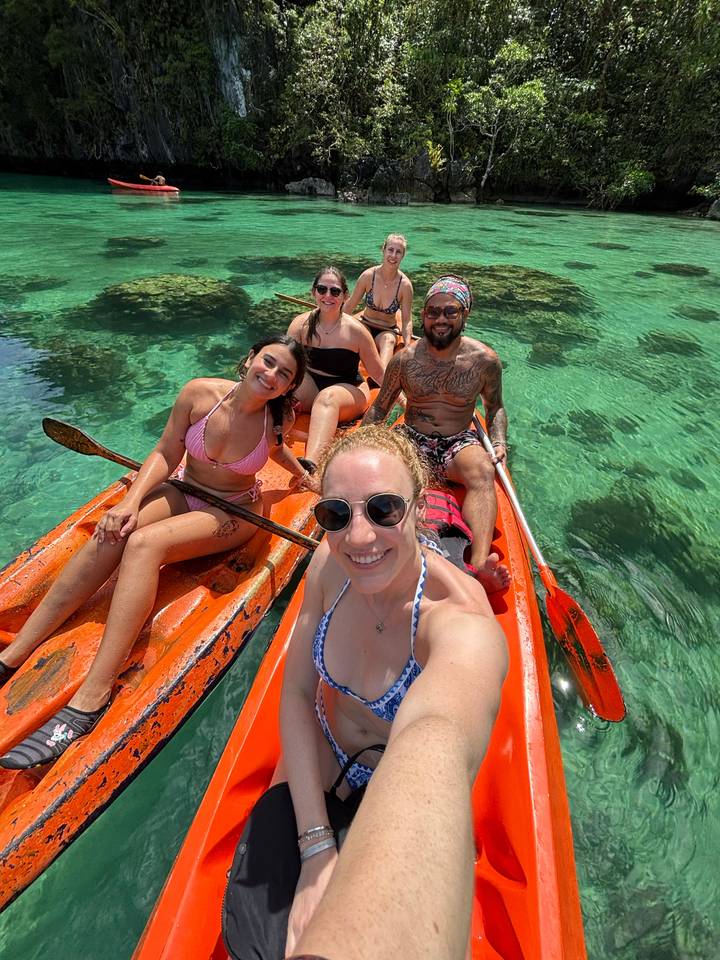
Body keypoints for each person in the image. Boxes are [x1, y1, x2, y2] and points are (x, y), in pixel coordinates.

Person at [221, 427, 507, 959]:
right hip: (325, 759)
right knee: (257, 942)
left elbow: (435, 736)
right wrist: (315, 850)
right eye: (335, 514)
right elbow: (298, 693)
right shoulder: (328, 567)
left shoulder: (461, 624)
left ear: (419, 507)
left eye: (383, 510)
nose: (357, 537)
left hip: (402, 790)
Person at [0, 335, 314, 769]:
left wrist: (306, 477)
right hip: (184, 488)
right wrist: (129, 503)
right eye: (269, 362)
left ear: (287, 388)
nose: (272, 375)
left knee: (147, 544)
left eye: (285, 375)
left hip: (236, 512)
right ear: (250, 359)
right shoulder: (198, 393)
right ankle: (12, 655)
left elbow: (279, 451)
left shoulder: (274, 420)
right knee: (114, 531)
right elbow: (167, 451)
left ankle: (93, 698)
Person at [362, 275, 510, 593]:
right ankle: (386, 540)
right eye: (433, 311)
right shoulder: (404, 361)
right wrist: (355, 446)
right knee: (383, 470)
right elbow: (380, 408)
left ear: (465, 314)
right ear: (424, 315)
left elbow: (495, 407)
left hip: (458, 440)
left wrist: (498, 442)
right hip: (413, 436)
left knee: (484, 470)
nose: (440, 319)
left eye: (450, 311)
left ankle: (481, 561)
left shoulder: (484, 361)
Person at [287, 267, 386, 474]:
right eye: (322, 289)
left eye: (335, 291)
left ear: (345, 296)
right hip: (312, 383)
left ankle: (310, 465)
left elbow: (379, 375)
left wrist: (408, 400)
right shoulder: (299, 325)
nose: (327, 296)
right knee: (286, 390)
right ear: (313, 292)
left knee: (328, 397)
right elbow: (286, 366)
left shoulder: (356, 331)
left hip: (350, 389)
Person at [344, 234, 414, 366]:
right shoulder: (368, 276)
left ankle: (380, 379)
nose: (393, 255)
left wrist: (407, 346)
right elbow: (350, 305)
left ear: (403, 256)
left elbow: (406, 320)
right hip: (365, 323)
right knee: (359, 335)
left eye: (398, 252)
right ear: (383, 250)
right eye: (390, 250)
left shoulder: (405, 286)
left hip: (388, 330)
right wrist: (332, 322)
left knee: (388, 341)